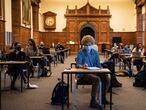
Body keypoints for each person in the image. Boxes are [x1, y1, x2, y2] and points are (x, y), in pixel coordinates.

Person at [76, 35, 109, 109]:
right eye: (86, 45)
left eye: (89, 44)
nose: (88, 46)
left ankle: (102, 97)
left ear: (92, 44)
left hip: (95, 71)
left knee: (107, 79)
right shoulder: (81, 52)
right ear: (83, 44)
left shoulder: (95, 52)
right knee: (97, 79)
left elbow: (98, 65)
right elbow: (78, 65)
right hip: (84, 73)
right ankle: (93, 101)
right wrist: (82, 66)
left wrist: (102, 70)